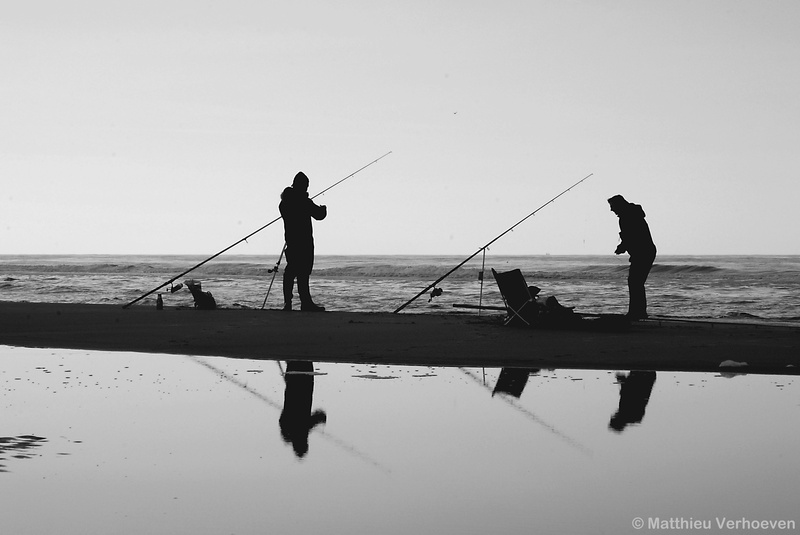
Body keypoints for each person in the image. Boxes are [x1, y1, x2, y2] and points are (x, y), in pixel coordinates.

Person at [280, 172, 327, 312]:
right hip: (304, 243)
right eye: (306, 185)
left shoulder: (285, 202)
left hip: (291, 241)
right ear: (301, 185)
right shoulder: (303, 201)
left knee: (291, 272)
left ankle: (287, 303)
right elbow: (319, 215)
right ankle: (305, 303)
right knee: (302, 273)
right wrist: (324, 208)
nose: (307, 188)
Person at [608, 195, 656, 320]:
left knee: (635, 282)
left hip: (643, 252)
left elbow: (631, 236)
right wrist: (622, 246)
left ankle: (637, 313)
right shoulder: (632, 214)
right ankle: (638, 312)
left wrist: (621, 247)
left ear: (619, 205)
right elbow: (631, 236)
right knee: (636, 283)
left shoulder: (626, 217)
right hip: (645, 252)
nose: (611, 210)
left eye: (612, 207)